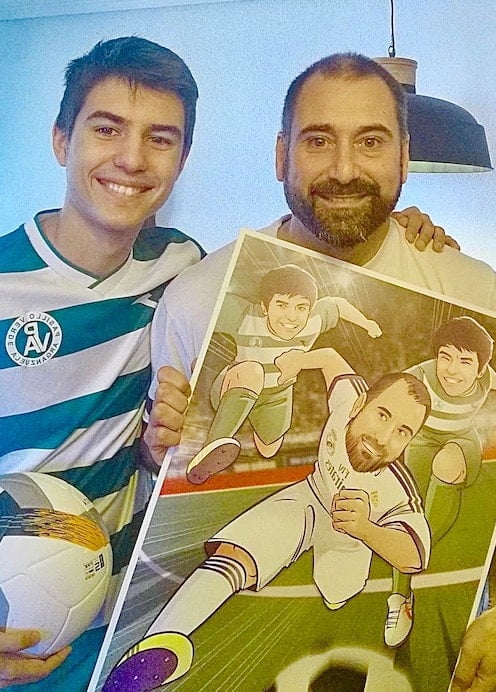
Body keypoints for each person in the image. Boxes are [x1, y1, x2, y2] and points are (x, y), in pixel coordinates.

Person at [146, 52, 496, 691]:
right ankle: (166, 641)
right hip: (306, 495)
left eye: (372, 142)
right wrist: (158, 445)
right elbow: (155, 468)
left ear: (405, 157)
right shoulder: (197, 297)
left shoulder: (472, 290)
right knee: (248, 549)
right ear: (282, 155)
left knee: (339, 585)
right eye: (318, 141)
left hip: (364, 526)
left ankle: (377, 598)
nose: (345, 169)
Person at [0, 37, 205, 691]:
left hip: (124, 631)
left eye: (160, 138)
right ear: (62, 140)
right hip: (15, 640)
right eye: (107, 128)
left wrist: (403, 230)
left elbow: (289, 263)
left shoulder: (184, 269)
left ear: (182, 160)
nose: (132, 158)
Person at [105, 347, 432, 690]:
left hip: (351, 536)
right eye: (383, 415)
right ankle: (159, 643)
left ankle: (394, 602)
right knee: (240, 551)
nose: (384, 438)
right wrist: (297, 361)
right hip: (311, 495)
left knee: (337, 594)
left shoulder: (397, 486)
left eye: (402, 432)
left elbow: (415, 555)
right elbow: (331, 358)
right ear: (360, 403)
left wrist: (366, 529)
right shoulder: (347, 397)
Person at [385, 316, 496, 648]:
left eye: (464, 361)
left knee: (445, 464)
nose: (452, 369)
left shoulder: (486, 377)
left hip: (462, 440)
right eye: (445, 357)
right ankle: (400, 598)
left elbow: (493, 376)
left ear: (479, 368)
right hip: (421, 441)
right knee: (408, 512)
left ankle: (420, 548)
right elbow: (389, 394)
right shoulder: (419, 377)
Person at [185, 263, 381, 483]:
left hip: (277, 394)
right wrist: (195, 352)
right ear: (265, 307)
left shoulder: (314, 321)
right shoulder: (244, 316)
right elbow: (203, 302)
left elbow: (338, 304)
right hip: (236, 382)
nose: (291, 316)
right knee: (253, 370)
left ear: (310, 309)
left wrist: (367, 323)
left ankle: (253, 419)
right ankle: (210, 447)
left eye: (301, 307)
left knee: (269, 450)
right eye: (282, 305)